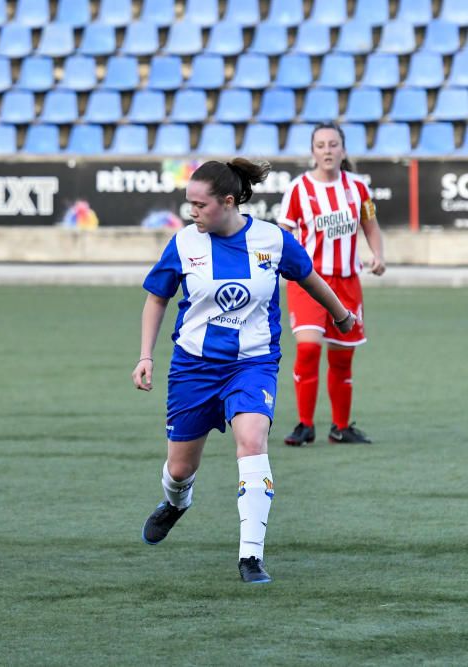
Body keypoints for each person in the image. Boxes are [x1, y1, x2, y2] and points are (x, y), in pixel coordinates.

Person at [132, 159, 356, 584]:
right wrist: (145, 355)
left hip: (252, 364)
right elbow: (157, 298)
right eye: (188, 204)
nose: (191, 211)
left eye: (199, 204)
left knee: (252, 443)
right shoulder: (183, 244)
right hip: (193, 368)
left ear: (228, 202)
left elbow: (308, 278)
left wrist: (341, 314)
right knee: (179, 470)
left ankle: (250, 556)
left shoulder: (272, 240)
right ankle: (176, 503)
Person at [279, 122, 386, 446]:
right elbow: (283, 232)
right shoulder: (298, 189)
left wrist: (378, 255)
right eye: (321, 145)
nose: (327, 150)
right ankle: (305, 425)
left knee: (342, 358)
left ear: (343, 149)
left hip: (347, 283)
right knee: (309, 347)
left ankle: (340, 427)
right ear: (313, 151)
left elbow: (371, 224)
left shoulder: (358, 188)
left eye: (333, 144)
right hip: (309, 283)